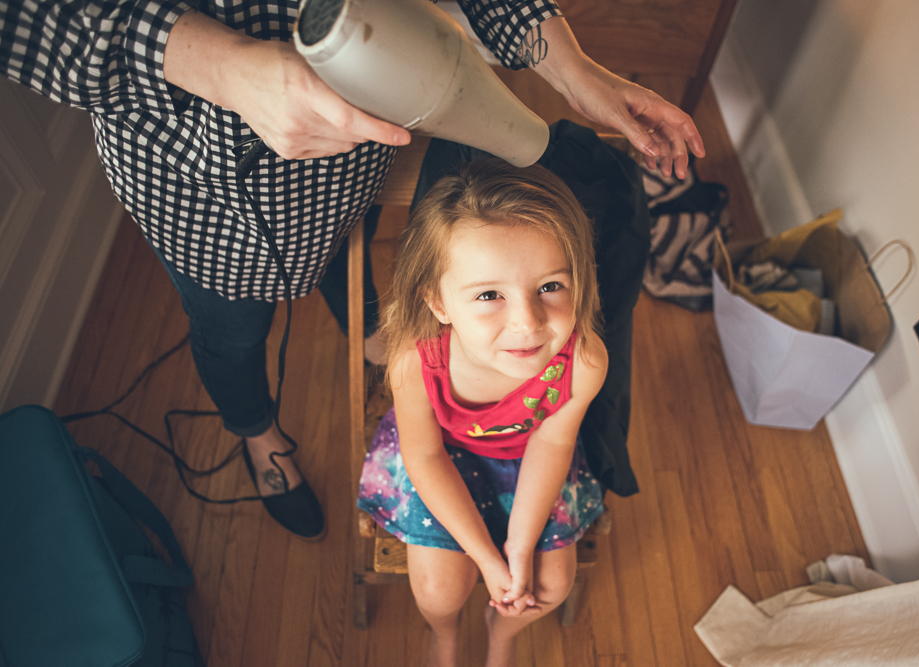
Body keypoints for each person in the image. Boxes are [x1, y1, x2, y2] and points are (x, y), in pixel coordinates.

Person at [0, 0, 704, 538]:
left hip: (353, 160)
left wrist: (573, 72)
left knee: (348, 254)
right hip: (203, 191)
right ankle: (257, 431)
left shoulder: (577, 360)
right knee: (230, 331)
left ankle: (364, 324)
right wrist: (222, 63)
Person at [357, 158, 605, 667]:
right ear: (440, 304)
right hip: (440, 456)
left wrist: (518, 547)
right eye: (490, 295)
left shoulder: (583, 360)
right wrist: (487, 558)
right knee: (439, 591)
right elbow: (424, 457)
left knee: (551, 583)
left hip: (530, 457)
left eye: (551, 287)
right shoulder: (413, 360)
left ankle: (502, 633)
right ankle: (444, 635)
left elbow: (552, 442)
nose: (527, 322)